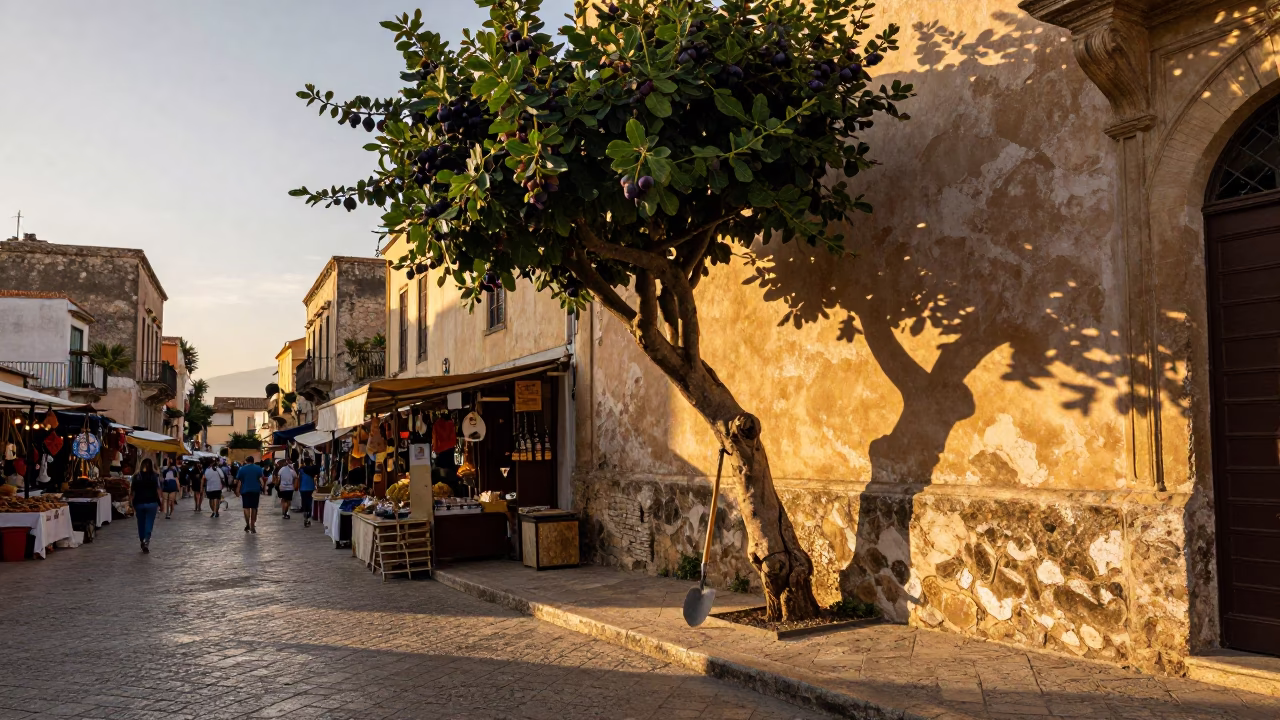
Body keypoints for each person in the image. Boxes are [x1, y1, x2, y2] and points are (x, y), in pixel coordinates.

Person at [128, 458, 162, 553]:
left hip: (139, 503)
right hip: (152, 503)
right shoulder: (155, 476)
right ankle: (146, 540)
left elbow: (132, 491)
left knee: (141, 523)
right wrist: (161, 502)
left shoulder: (136, 477)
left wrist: (130, 502)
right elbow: (158, 490)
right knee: (149, 523)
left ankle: (142, 539)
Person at [236, 454, 265, 533]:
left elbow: (239, 481)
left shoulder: (242, 469)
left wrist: (237, 490)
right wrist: (263, 488)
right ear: (253, 461)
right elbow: (261, 480)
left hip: (245, 490)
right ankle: (252, 525)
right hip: (255, 490)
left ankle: (247, 523)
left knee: (246, 508)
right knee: (254, 508)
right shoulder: (258, 468)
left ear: (246, 461)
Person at [298, 457, 319, 528]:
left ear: (304, 462)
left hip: (303, 488)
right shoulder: (313, 469)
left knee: (304, 502)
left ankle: (305, 517)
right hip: (311, 487)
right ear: (310, 462)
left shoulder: (301, 470)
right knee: (309, 502)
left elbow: (299, 479)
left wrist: (298, 487)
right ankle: (309, 516)